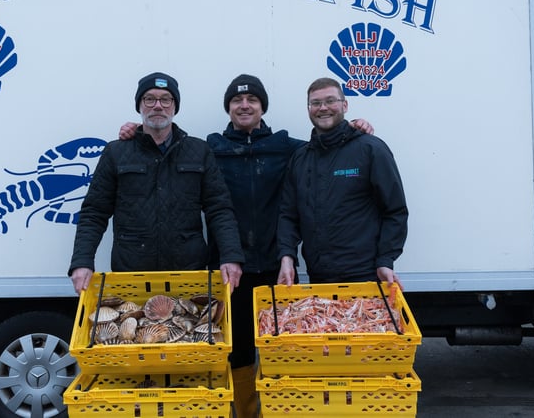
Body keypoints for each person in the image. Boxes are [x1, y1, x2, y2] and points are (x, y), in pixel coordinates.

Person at [120, 73, 373, 418]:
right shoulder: (209, 148)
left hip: (275, 265)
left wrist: (355, 128)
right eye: (236, 101)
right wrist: (135, 132)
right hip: (229, 269)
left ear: (262, 107)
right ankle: (246, 411)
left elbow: (329, 142)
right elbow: (167, 147)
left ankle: (280, 409)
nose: (244, 105)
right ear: (228, 108)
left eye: (252, 100)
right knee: (236, 350)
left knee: (279, 348)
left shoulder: (289, 147)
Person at [68, 71, 244, 295]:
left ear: (174, 106)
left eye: (166, 99)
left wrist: (230, 256)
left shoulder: (199, 151)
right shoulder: (116, 152)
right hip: (132, 275)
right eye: (149, 99)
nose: (158, 105)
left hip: (188, 274)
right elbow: (94, 212)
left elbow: (219, 209)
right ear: (140, 106)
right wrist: (82, 261)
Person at [276, 77, 408, 289]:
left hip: (364, 275)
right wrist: (286, 256)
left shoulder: (371, 149)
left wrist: (386, 260)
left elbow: (395, 211)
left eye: (330, 101)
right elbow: (288, 215)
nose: (323, 108)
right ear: (309, 109)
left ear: (344, 105)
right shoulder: (300, 158)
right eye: (316, 103)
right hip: (318, 277)